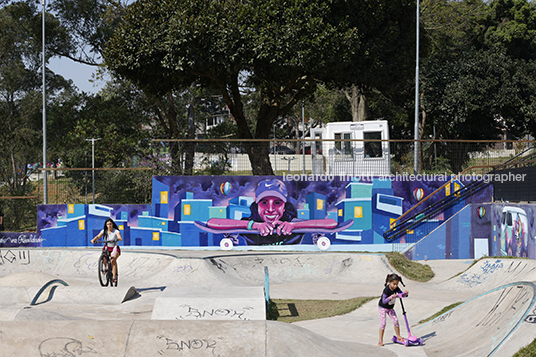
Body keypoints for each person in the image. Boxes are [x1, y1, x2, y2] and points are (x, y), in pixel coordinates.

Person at [206, 178, 337, 245]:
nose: (270, 209)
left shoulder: (294, 223)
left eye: (277, 203)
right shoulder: (249, 224)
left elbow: (331, 223)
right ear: (257, 205)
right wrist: (255, 226)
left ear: (284, 206)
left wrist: (294, 226)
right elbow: (213, 222)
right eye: (264, 203)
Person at [378, 273, 409, 346]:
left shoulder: (396, 288)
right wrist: (391, 297)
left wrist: (405, 294)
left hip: (390, 308)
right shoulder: (386, 290)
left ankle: (398, 336)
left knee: (396, 321)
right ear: (389, 282)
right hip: (382, 307)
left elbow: (401, 295)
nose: (395, 286)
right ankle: (380, 340)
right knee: (383, 323)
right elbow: (384, 301)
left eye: (397, 284)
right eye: (394, 284)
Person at [90, 218, 122, 283]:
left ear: (112, 224)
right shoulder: (104, 231)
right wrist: (94, 240)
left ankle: (114, 277)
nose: (109, 225)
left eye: (110, 224)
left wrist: (119, 238)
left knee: (113, 260)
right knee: (103, 257)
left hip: (114, 248)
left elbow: (119, 236)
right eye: (108, 224)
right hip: (107, 247)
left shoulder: (116, 231)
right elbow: (98, 236)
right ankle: (105, 267)